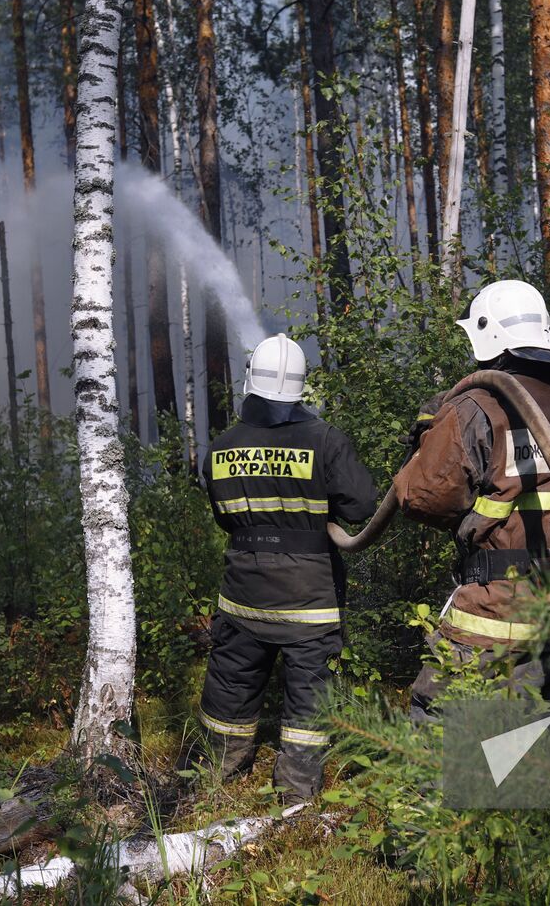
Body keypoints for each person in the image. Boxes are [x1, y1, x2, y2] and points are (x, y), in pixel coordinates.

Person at [393, 279, 550, 722]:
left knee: (444, 725)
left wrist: (427, 440)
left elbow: (422, 497)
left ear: (486, 335)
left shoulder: (479, 406)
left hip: (502, 604)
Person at [185, 333, 378, 804]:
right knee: (308, 695)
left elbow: (224, 517)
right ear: (300, 387)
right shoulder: (325, 440)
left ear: (249, 382)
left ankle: (217, 775)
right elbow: (360, 507)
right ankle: (295, 793)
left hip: (243, 595)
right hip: (308, 600)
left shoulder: (223, 446)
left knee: (231, 684)